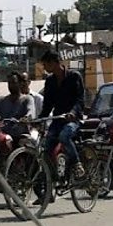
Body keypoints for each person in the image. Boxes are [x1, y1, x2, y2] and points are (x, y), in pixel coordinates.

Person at [38, 50, 85, 179]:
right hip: (57, 120)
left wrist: (73, 112)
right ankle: (51, 177)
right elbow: (47, 105)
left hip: (73, 120)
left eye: (45, 64)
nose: (44, 68)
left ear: (53, 62)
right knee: (47, 146)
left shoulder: (74, 76)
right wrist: (39, 119)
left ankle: (77, 164)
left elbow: (80, 100)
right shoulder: (50, 81)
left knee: (64, 136)